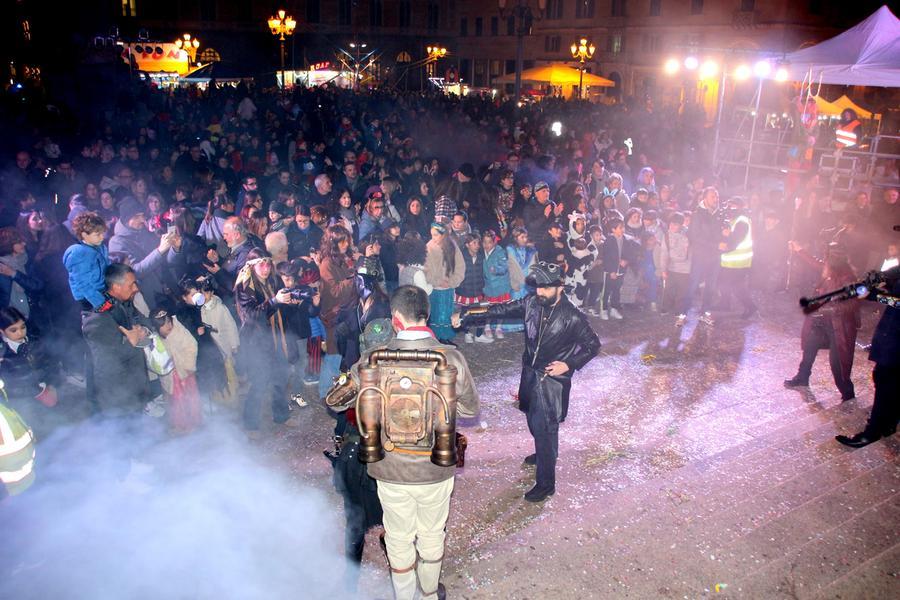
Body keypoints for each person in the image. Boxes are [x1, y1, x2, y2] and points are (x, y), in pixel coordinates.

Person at [335, 285, 479, 600]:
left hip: (389, 467)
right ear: (425, 315)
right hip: (435, 466)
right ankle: (428, 595)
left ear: (396, 319)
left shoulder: (374, 358)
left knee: (399, 537)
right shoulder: (450, 356)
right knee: (431, 535)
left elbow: (334, 401)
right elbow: (470, 410)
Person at [457, 261, 600, 501]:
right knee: (534, 421)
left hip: (552, 381)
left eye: (546, 288)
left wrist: (569, 364)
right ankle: (544, 452)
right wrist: (468, 315)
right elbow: (500, 310)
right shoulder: (531, 302)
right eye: (537, 287)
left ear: (560, 287)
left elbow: (593, 345)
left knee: (545, 427)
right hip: (530, 373)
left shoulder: (572, 316)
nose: (540, 292)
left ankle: (546, 484)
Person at [785, 244, 861, 401]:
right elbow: (814, 262)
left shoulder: (847, 278)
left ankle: (847, 393)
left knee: (837, 363)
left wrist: (831, 310)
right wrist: (800, 250)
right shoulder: (829, 271)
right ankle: (802, 377)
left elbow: (853, 304)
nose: (823, 262)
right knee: (809, 347)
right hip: (821, 322)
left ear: (833, 262)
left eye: (826, 259)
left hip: (839, 327)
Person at [835, 276, 899, 447]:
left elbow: (897, 302)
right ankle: (888, 424)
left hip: (896, 339)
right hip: (893, 334)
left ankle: (872, 432)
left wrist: (872, 295)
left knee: (885, 380)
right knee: (889, 380)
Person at [82, 263, 152, 415]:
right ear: (116, 287)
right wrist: (131, 343)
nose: (136, 289)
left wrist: (143, 330)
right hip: (117, 400)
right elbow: (105, 365)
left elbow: (146, 321)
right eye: (131, 284)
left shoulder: (124, 303)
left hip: (135, 391)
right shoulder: (97, 318)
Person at [149, 309, 202, 434]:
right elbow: (153, 358)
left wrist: (189, 366)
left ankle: (192, 423)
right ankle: (179, 424)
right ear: (157, 327)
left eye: (168, 322)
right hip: (169, 376)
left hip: (184, 372)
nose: (168, 326)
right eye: (163, 324)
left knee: (188, 398)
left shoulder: (178, 329)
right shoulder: (154, 338)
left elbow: (192, 345)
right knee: (174, 401)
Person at [424, 222, 465, 344]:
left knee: (447, 312)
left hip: (448, 288)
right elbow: (426, 270)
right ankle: (436, 337)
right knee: (436, 313)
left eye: (436, 235)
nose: (433, 238)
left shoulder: (452, 246)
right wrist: (437, 281)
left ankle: (446, 337)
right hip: (435, 289)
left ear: (443, 235)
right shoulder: (429, 247)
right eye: (432, 235)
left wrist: (453, 281)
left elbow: (460, 266)